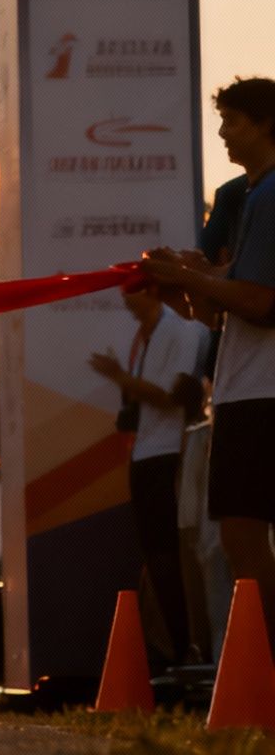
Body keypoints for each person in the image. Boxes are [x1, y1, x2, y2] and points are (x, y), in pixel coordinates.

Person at [141, 76, 275, 646]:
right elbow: (227, 298)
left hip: (259, 391)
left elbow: (261, 301)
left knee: (242, 535)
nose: (223, 132)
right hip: (249, 387)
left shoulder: (267, 194)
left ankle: (263, 668)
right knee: (239, 535)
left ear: (267, 123)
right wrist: (193, 277)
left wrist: (191, 278)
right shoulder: (249, 194)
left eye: (235, 121)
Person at [86, 283, 206, 664]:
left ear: (153, 292)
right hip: (147, 452)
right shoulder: (147, 336)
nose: (124, 298)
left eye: (131, 290)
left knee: (167, 555)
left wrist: (120, 377)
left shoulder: (180, 331)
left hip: (167, 453)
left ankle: (187, 647)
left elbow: (171, 397)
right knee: (156, 557)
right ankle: (174, 647)